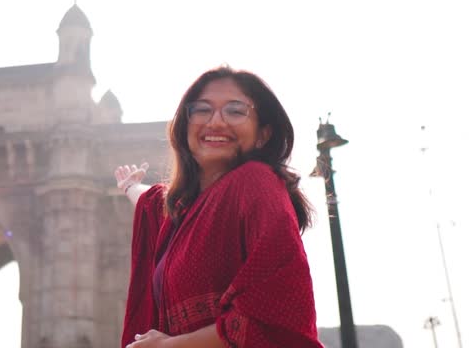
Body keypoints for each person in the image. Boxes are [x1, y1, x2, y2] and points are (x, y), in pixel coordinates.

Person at [115, 66, 322, 348]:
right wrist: (130, 186)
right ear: (185, 128)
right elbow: (154, 201)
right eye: (202, 110)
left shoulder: (254, 182)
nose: (216, 121)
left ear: (262, 134)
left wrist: (168, 346)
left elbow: (275, 313)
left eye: (235, 111)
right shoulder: (185, 211)